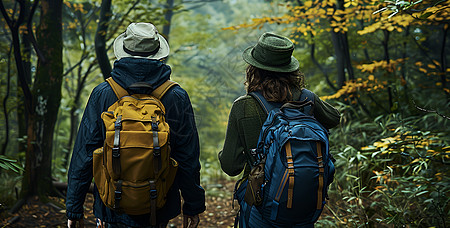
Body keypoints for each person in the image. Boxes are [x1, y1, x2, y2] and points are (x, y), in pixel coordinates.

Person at [66, 22, 205, 228]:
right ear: (159, 53)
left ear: (123, 52)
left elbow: (85, 152)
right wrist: (193, 206)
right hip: (159, 205)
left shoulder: (103, 93)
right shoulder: (176, 96)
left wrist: (74, 208)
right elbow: (187, 157)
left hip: (110, 206)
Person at [218, 32, 341, 227]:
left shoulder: (243, 106)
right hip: (302, 202)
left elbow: (230, 167)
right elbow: (335, 118)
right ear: (290, 69)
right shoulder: (307, 98)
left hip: (259, 205)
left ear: (253, 69)